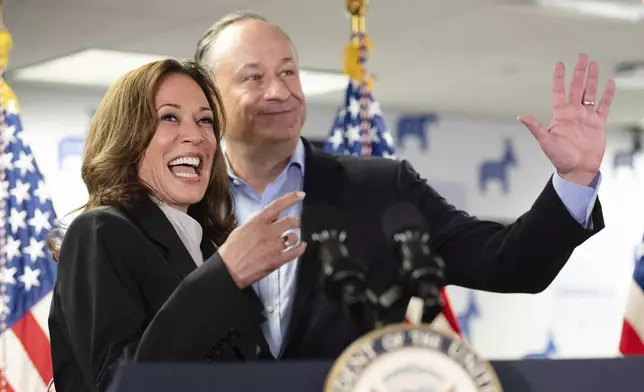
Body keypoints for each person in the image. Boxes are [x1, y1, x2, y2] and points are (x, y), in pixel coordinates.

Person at [192, 12, 615, 360]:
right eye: (254, 77)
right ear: (210, 96)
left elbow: (508, 262)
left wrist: (574, 179)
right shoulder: (178, 203)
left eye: (288, 71)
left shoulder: (381, 190)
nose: (280, 91)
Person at [47, 59, 307, 391]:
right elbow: (118, 384)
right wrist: (225, 273)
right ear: (128, 137)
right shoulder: (100, 231)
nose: (196, 136)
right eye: (169, 117)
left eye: (205, 121)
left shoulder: (206, 247)